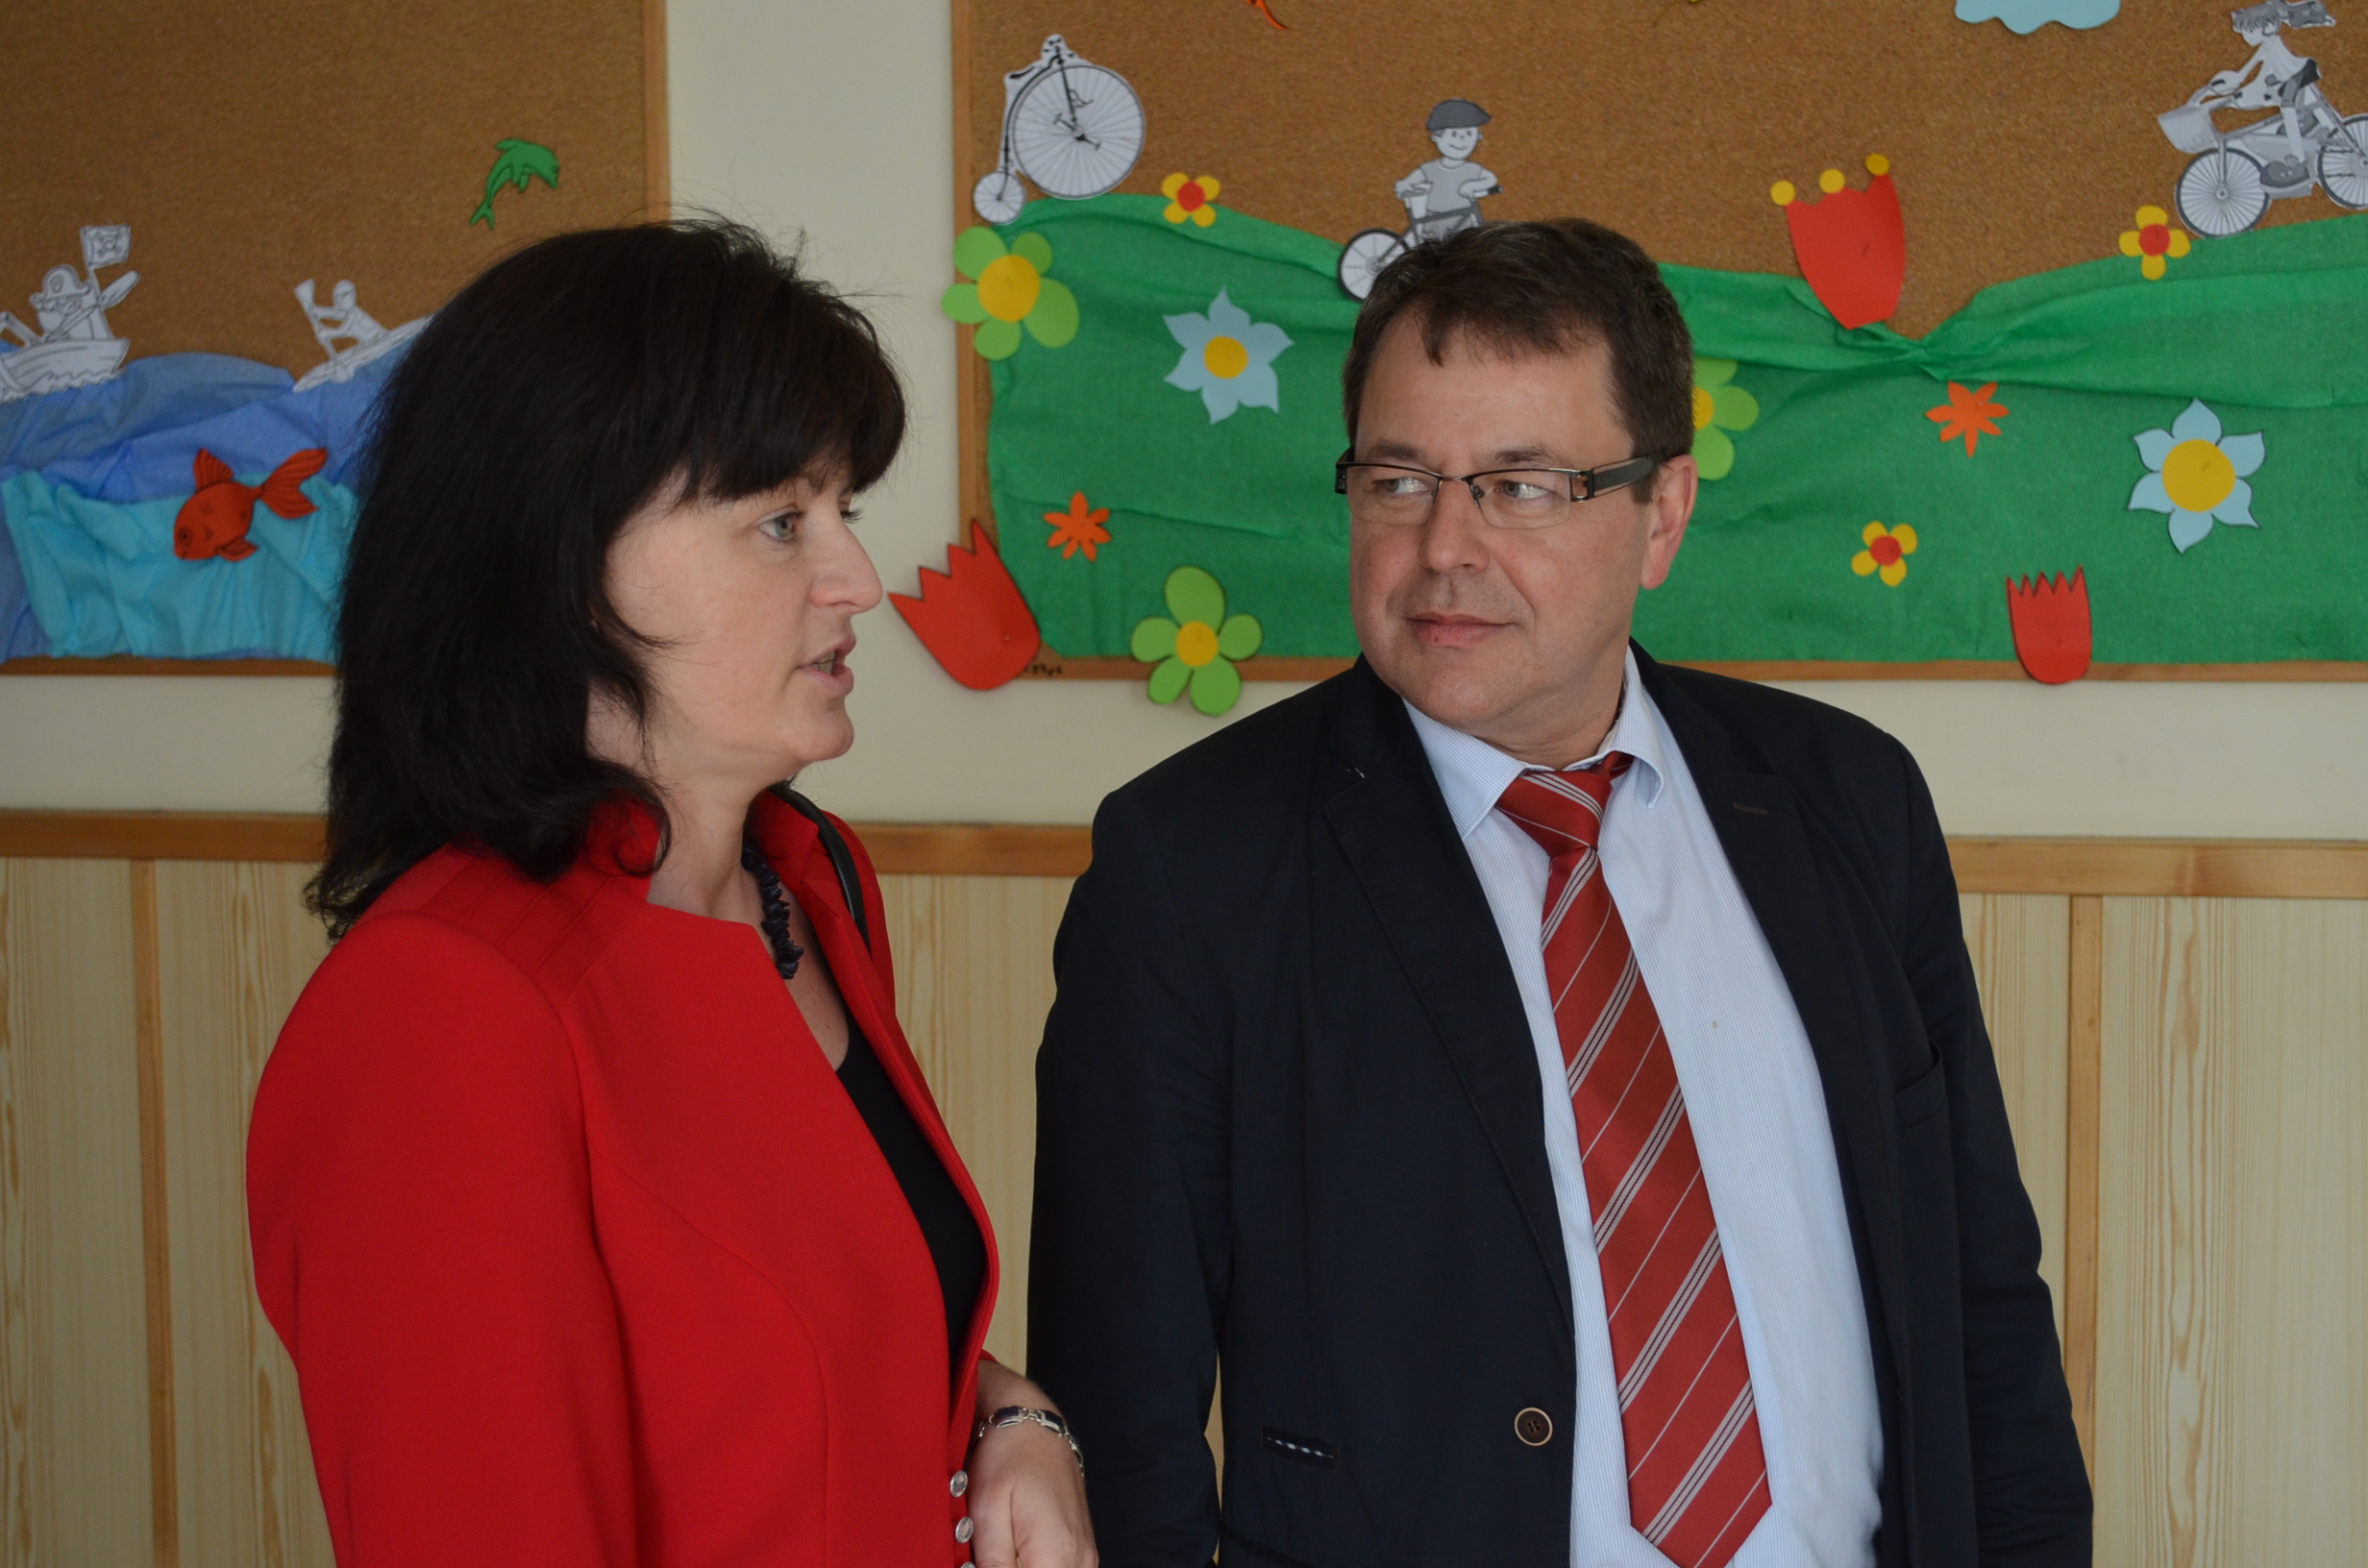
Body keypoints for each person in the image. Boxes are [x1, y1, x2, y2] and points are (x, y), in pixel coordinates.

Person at [1027, 219, 2089, 1567]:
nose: (1444, 549)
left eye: (1521, 487)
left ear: (1663, 515)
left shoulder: (1849, 800)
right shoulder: (1188, 866)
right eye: (1398, 481)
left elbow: (1980, 1295)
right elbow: (1120, 1422)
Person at [248, 220, 1097, 1568]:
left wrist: (1017, 1416)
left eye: (844, 511)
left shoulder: (803, 877)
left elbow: (815, 1352)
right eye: (780, 521)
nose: (856, 581)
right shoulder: (439, 1011)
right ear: (560, 558)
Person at [1393, 98, 1500, 241]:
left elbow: (1490, 179)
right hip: (1435, 218)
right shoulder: (1431, 168)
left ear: (1478, 137)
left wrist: (1472, 185)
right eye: (1454, 134)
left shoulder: (1472, 169)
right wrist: (1405, 185)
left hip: (1462, 219)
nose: (1461, 141)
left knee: (1468, 242)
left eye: (1469, 134)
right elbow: (1413, 179)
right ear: (1436, 137)